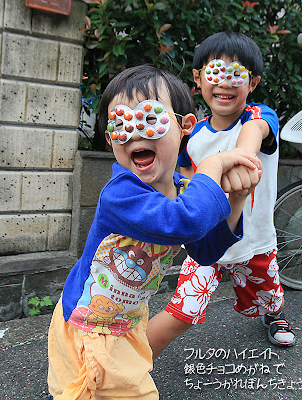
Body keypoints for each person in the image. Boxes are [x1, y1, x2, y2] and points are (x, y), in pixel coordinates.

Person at [47, 64, 262, 400]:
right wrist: (212, 166)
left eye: (150, 119)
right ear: (111, 138)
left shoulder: (181, 190)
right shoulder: (120, 193)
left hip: (126, 319)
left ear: (185, 126)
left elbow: (205, 251)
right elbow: (184, 222)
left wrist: (236, 199)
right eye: (121, 124)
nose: (135, 134)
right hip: (91, 323)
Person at [147, 32, 296, 359]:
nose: (225, 82)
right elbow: (184, 178)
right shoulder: (194, 135)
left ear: (253, 83)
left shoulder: (259, 116)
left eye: (236, 74)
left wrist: (242, 160)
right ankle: (126, 364)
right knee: (183, 309)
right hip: (206, 241)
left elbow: (253, 132)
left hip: (254, 240)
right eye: (215, 72)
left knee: (269, 297)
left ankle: (275, 314)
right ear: (198, 78)